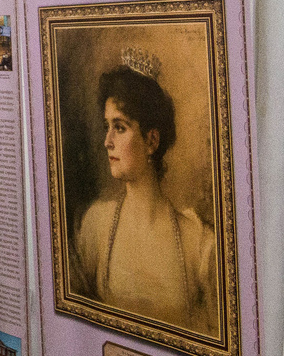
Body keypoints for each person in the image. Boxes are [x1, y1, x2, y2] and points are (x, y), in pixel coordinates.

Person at [71, 51, 218, 335]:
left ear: (151, 141)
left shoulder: (199, 242)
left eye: (120, 128)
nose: (107, 142)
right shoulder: (96, 226)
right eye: (107, 127)